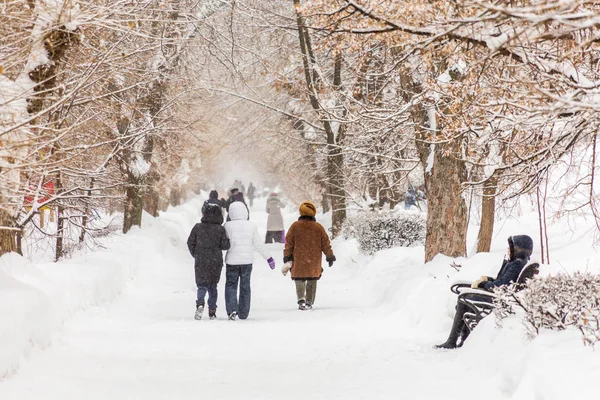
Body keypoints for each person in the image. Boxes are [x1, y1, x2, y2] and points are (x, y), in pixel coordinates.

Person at [435, 235, 534, 349]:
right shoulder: (515, 262)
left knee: (463, 299)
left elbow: (502, 285)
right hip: (497, 297)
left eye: (510, 247)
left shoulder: (516, 264)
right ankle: (463, 340)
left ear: (517, 249)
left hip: (496, 299)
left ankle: (453, 341)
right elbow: (501, 281)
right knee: (465, 302)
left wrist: (483, 284)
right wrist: (487, 280)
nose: (508, 249)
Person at [224, 202, 275, 320]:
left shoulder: (227, 225)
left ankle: (232, 310)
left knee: (231, 285)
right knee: (245, 286)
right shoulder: (251, 225)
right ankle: (243, 312)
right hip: (247, 262)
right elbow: (258, 243)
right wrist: (268, 258)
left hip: (231, 262)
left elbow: (223, 244)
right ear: (245, 212)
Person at [282, 201, 336, 311]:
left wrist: (287, 255)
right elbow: (325, 243)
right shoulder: (318, 227)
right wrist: (329, 255)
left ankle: (301, 299)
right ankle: (309, 302)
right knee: (312, 280)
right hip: (314, 259)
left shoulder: (295, 226)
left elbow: (289, 243)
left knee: (299, 279)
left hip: (299, 258)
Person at [186, 203, 231, 320]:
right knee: (212, 286)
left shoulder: (198, 227)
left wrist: (195, 254)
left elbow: (190, 242)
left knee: (201, 285)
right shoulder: (220, 229)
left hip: (201, 260)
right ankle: (212, 310)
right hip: (215, 261)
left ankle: (200, 304)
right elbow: (225, 246)